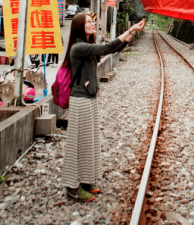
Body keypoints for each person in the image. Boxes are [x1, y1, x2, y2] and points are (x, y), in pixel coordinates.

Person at [61, 14, 145, 202]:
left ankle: (85, 181)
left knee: (88, 142)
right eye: (88, 22)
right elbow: (108, 47)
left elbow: (116, 47)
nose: (92, 23)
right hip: (80, 101)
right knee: (77, 144)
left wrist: (133, 33)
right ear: (79, 27)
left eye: (92, 21)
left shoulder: (87, 47)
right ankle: (72, 187)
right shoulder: (79, 47)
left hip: (88, 99)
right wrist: (131, 30)